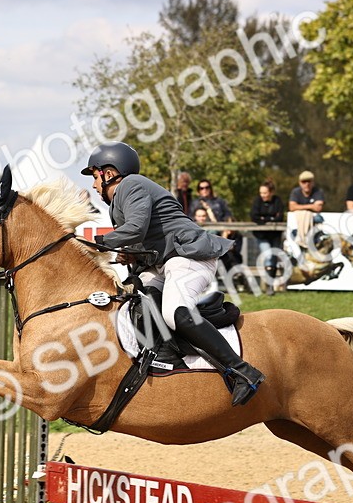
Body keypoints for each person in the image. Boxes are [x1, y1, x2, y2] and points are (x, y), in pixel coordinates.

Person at [81, 140, 263, 406]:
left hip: (189, 257)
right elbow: (144, 239)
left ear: (108, 173)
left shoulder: (131, 185)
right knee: (141, 298)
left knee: (175, 311)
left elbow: (135, 229)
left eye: (95, 177)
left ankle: (242, 372)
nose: (94, 186)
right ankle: (167, 357)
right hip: (168, 263)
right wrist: (131, 254)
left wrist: (95, 241)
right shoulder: (119, 200)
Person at [250, 181, 285, 291]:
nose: (263, 195)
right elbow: (254, 216)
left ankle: (270, 285)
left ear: (271, 192)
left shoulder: (277, 201)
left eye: (265, 193)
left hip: (275, 235)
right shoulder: (257, 201)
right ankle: (269, 285)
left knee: (273, 257)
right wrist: (271, 218)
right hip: (262, 235)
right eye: (261, 193)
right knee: (268, 254)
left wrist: (263, 218)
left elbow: (280, 217)